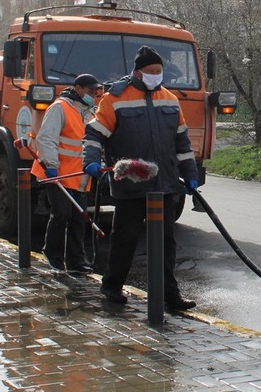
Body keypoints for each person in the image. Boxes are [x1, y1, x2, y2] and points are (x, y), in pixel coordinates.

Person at [83, 45, 200, 311]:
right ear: (138, 72)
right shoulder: (114, 99)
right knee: (125, 238)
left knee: (166, 242)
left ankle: (169, 294)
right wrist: (90, 161)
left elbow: (182, 142)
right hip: (131, 184)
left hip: (165, 185)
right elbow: (94, 134)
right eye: (151, 71)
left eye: (159, 71)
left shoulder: (170, 99)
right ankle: (112, 286)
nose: (156, 75)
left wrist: (190, 174)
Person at [32, 73, 103, 274]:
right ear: (78, 89)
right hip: (58, 174)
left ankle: (76, 261)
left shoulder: (90, 112)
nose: (94, 95)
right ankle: (53, 255)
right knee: (62, 213)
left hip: (79, 176)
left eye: (96, 92)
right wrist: (51, 165)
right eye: (90, 91)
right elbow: (47, 138)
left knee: (79, 217)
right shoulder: (60, 108)